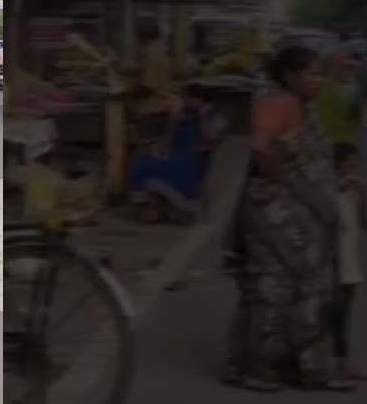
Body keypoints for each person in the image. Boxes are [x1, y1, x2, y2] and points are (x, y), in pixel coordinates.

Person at [223, 45, 352, 392]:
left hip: (306, 220)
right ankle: (254, 368)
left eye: (321, 73)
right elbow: (261, 146)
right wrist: (281, 182)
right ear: (289, 76)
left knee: (310, 291)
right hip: (276, 219)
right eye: (311, 73)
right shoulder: (276, 104)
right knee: (272, 291)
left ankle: (305, 367)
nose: (319, 80)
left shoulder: (306, 109)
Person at [314, 52, 367, 383]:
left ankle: (338, 360)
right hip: (334, 165)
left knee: (341, 291)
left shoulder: (328, 92)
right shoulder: (345, 92)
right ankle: (332, 361)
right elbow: (361, 119)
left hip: (338, 166)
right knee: (335, 294)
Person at [127, 84, 224, 223]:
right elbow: (165, 145)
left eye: (187, 98)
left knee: (180, 166)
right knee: (144, 162)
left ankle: (179, 209)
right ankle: (150, 205)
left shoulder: (215, 117)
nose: (183, 101)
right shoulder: (179, 116)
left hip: (195, 158)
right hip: (173, 155)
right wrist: (173, 124)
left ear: (199, 100)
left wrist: (203, 116)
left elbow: (210, 139)